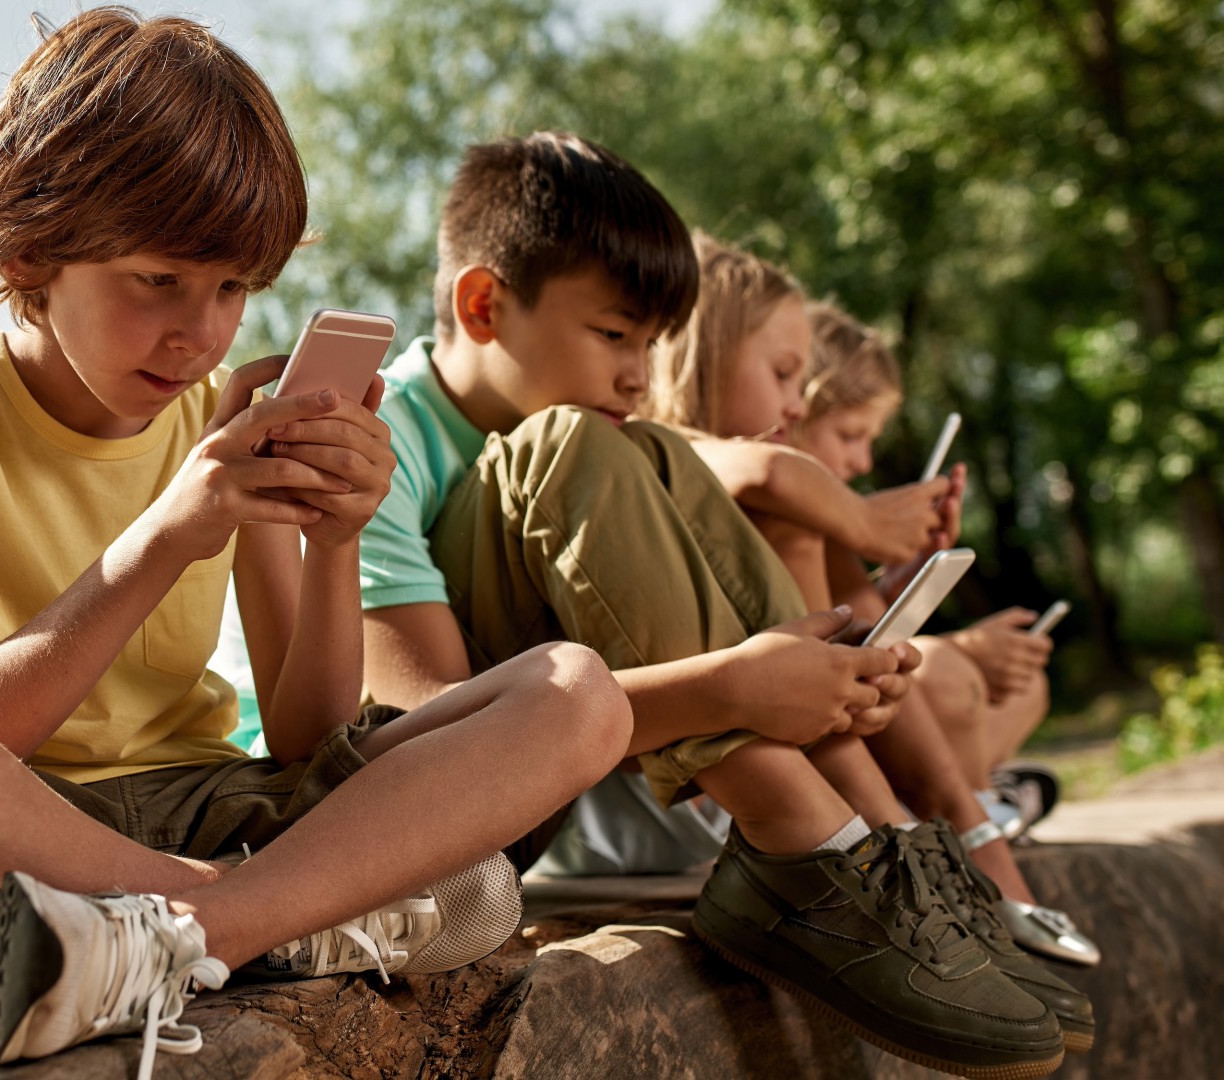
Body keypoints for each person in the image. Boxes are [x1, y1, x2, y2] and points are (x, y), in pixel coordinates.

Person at [0, 11, 632, 1076]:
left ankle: (197, 933)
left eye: (233, 288)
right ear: (25, 252)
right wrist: (167, 534)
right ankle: (257, 914)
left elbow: (307, 735)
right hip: (4, 857)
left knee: (579, 693)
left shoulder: (225, 411)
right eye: (159, 281)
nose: (201, 333)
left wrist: (337, 540)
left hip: (215, 806)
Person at [351, 131, 1073, 1075]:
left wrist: (821, 684)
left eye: (652, 345)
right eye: (614, 335)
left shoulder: (601, 435)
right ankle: (802, 843)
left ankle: (877, 848)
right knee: (572, 445)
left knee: (649, 447)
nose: (637, 375)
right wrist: (731, 689)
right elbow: (420, 732)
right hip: (414, 827)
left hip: (541, 778)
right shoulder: (381, 439)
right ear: (484, 305)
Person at [645, 235, 1100, 975]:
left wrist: (883, 571)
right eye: (784, 374)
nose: (795, 402)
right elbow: (771, 471)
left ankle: (957, 825)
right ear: (704, 355)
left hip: (769, 759)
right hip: (708, 786)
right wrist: (860, 521)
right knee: (828, 561)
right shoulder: (654, 455)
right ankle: (936, 835)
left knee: (882, 630)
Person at [795, 304, 1059, 831]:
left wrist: (897, 582)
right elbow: (825, 651)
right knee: (949, 675)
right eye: (849, 435)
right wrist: (964, 650)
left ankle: (982, 797)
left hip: (874, 719)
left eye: (871, 440)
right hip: (827, 732)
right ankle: (982, 807)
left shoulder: (829, 541)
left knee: (1027, 687)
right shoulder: (783, 520)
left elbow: (850, 620)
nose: (863, 462)